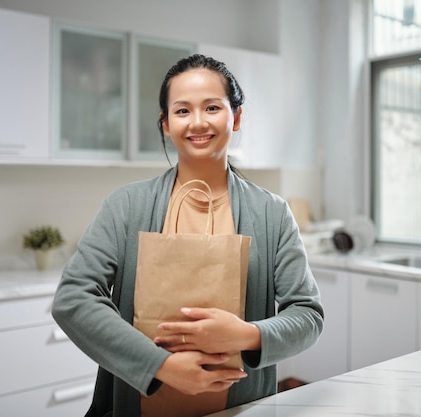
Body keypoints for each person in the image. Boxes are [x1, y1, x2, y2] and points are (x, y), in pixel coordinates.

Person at [52, 53, 324, 417]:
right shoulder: (126, 205)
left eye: (212, 107)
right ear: (165, 124)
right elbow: (73, 299)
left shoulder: (271, 213)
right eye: (182, 111)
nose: (198, 122)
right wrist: (160, 366)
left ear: (236, 117)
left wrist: (246, 335)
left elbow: (308, 315)